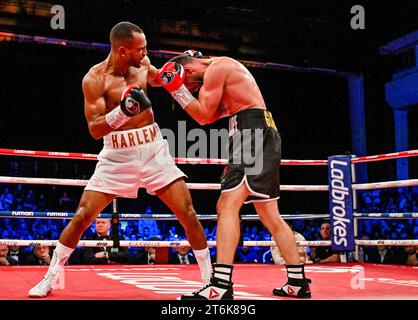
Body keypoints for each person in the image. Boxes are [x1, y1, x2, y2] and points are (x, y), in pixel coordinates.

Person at [28, 22, 212, 298]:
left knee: (187, 212)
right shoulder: (94, 79)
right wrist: (122, 113)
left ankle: (210, 280)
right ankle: (51, 277)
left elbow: (160, 79)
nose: (145, 53)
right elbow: (95, 128)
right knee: (82, 216)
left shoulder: (142, 64)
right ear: (122, 49)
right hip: (116, 155)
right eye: (141, 49)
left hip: (152, 149)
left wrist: (183, 66)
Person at [157, 52, 312, 299]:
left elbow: (203, 116)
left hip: (251, 134)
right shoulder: (223, 72)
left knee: (227, 205)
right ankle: (297, 282)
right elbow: (208, 113)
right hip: (259, 132)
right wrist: (170, 83)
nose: (191, 88)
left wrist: (177, 90)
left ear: (186, 70)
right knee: (270, 214)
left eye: (187, 82)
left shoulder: (218, 68)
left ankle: (220, 284)